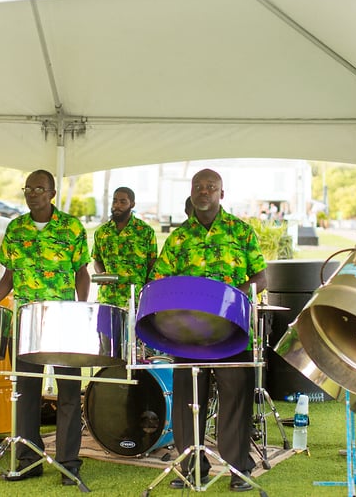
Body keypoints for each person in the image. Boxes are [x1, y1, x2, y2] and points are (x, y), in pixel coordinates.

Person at [152, 168, 267, 493]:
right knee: (189, 401)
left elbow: (261, 277)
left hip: (231, 329)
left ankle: (237, 469)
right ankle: (192, 468)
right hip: (188, 333)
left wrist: (235, 296)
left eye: (211, 187)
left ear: (221, 193)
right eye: (198, 187)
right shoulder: (178, 238)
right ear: (191, 192)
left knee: (235, 399)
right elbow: (161, 281)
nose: (204, 192)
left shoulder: (241, 232)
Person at [0, 169, 89, 486]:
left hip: (61, 321)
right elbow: (9, 277)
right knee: (25, 394)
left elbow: (81, 272)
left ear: (52, 193)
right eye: (28, 188)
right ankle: (29, 459)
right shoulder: (16, 229)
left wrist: (81, 310)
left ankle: (68, 462)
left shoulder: (72, 227)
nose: (33, 193)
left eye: (39, 188)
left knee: (69, 393)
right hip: (25, 322)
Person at [92, 186, 157, 308]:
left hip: (135, 300)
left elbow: (152, 264)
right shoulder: (102, 232)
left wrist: (147, 294)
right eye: (115, 201)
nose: (117, 205)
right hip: (107, 298)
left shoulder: (145, 231)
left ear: (132, 204)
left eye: (123, 202)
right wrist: (101, 274)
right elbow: (97, 260)